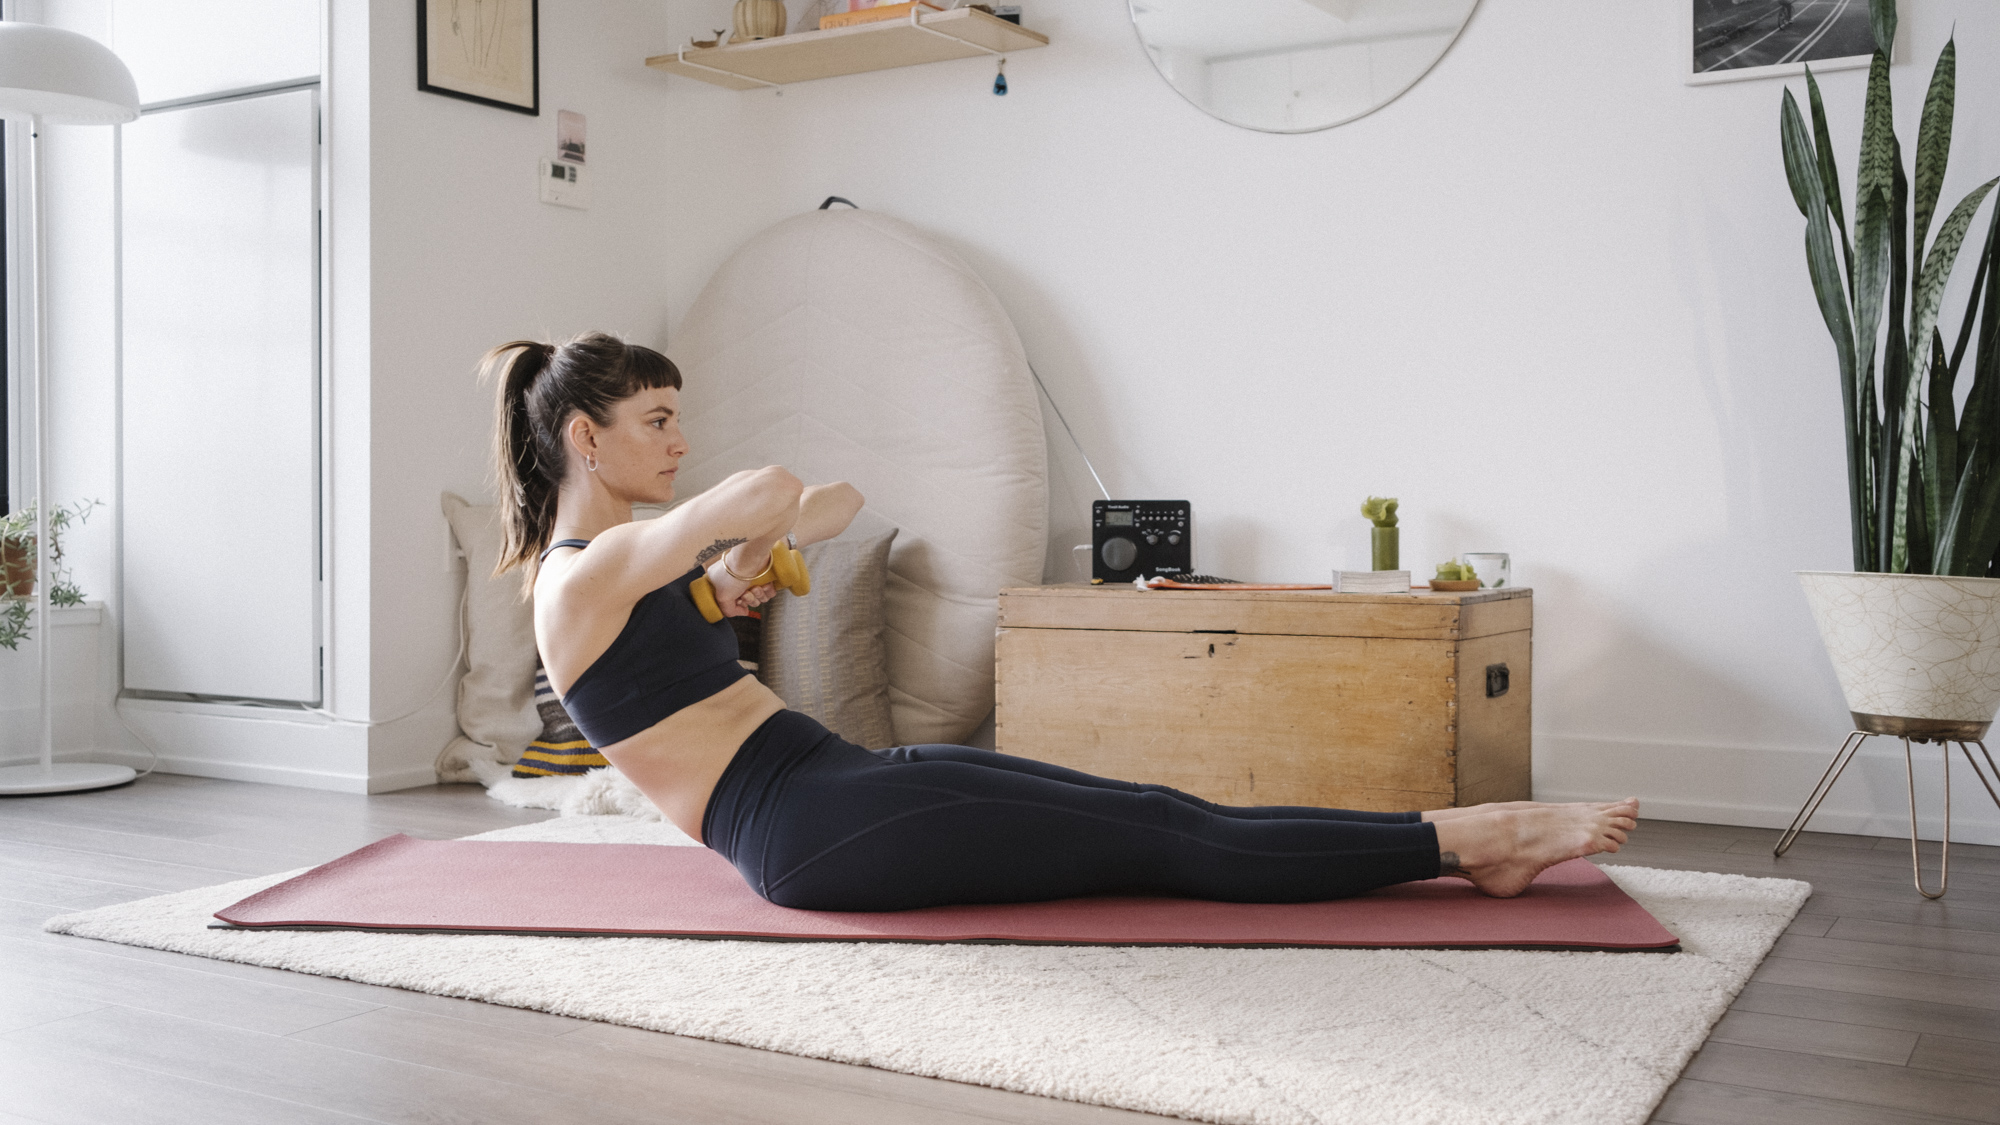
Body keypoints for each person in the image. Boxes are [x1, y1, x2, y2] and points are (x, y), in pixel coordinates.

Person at [490, 332, 1639, 912]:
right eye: (656, 420)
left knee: (1158, 808)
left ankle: (1460, 840)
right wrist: (734, 547)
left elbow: (822, 504)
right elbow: (771, 486)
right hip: (798, 829)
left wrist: (741, 563)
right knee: (1161, 844)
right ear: (585, 439)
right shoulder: (578, 578)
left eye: (680, 419)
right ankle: (1474, 839)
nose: (678, 441)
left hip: (832, 782)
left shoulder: (636, 576)